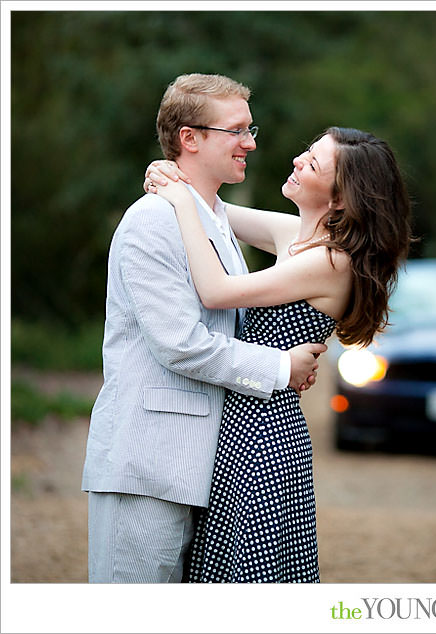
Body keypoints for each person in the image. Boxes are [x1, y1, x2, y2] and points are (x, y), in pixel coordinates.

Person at [81, 73, 326, 584]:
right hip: (147, 464)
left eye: (250, 129)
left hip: (203, 468)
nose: (251, 143)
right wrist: (282, 365)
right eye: (236, 131)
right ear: (190, 138)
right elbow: (180, 345)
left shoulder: (211, 219)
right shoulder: (153, 220)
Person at [142, 124, 412, 582]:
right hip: (242, 424)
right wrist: (170, 173)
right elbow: (216, 212)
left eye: (312, 164)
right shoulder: (295, 236)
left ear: (341, 198)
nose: (296, 162)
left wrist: (182, 200)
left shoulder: (331, 262)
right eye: (305, 152)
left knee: (247, 576)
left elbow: (217, 290)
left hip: (263, 440)